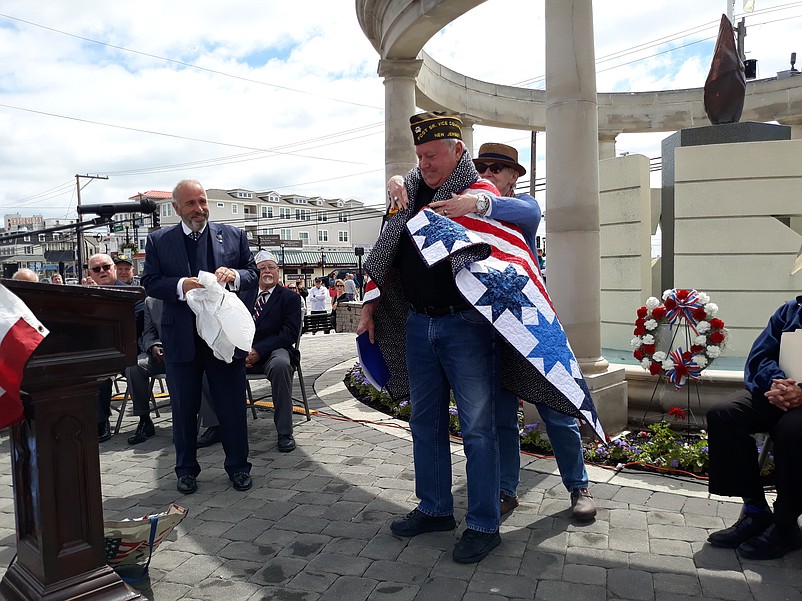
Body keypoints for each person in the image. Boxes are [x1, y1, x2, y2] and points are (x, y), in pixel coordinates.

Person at [387, 142, 596, 521]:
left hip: (527, 327)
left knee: (555, 410)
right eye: (481, 167)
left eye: (497, 169)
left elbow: (523, 209)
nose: (487, 174)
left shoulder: (516, 209)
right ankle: (504, 489)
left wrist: (477, 204)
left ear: (514, 176)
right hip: (484, 330)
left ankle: (578, 486)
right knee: (499, 416)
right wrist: (401, 179)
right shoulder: (460, 205)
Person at [359, 112, 510, 564]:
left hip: (465, 325)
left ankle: (484, 524)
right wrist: (368, 306)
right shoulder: (407, 186)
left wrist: (471, 209)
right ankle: (435, 507)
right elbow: (388, 247)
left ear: (458, 150)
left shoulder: (476, 192)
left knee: (478, 429)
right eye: (419, 155)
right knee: (424, 423)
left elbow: (518, 221)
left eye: (433, 155)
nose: (424, 163)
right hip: (416, 322)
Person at [142, 178, 258, 495]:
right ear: (177, 208)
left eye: (203, 201)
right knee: (183, 410)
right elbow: (150, 282)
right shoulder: (158, 241)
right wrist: (181, 286)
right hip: (181, 340)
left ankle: (238, 467)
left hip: (223, 338)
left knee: (232, 407)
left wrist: (235, 275)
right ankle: (186, 471)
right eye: (191, 203)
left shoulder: (233, 236)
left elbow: (252, 273)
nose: (199, 209)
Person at [706, 296, 802, 559]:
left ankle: (785, 525)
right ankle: (755, 510)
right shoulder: (791, 310)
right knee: (724, 414)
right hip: (779, 392)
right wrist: (776, 383)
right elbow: (760, 355)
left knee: (792, 431)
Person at [243, 251, 302, 453]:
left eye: (271, 267)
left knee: (281, 365)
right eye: (262, 268)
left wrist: (258, 350)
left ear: (278, 271)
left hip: (275, 352)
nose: (267, 271)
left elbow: (289, 334)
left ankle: (285, 432)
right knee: (210, 365)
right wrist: (241, 352)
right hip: (242, 352)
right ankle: (215, 426)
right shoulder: (243, 297)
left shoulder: (290, 298)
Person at [86, 253, 128, 442]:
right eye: (96, 269)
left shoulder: (130, 292)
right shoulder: (84, 295)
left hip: (126, 349)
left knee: (98, 373)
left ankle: (101, 423)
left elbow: (135, 325)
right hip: (96, 351)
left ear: (114, 269)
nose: (102, 271)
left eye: (106, 267)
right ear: (90, 274)